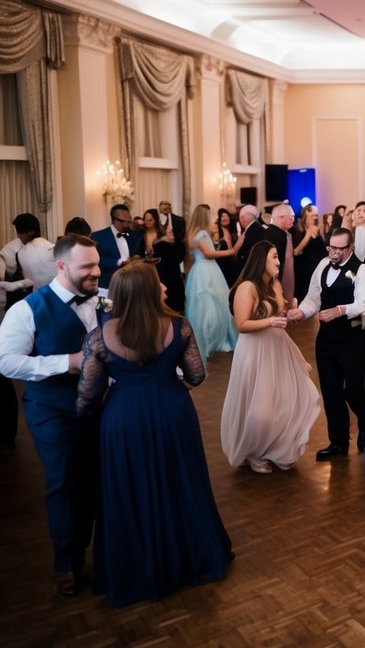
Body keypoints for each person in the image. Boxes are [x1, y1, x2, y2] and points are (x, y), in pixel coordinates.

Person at [76, 262, 230, 606]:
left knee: (130, 487)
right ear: (147, 290)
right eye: (158, 283)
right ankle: (190, 555)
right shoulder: (179, 325)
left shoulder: (99, 336)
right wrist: (172, 389)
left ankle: (136, 566)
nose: (164, 286)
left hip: (123, 417)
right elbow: (197, 374)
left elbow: (88, 392)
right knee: (181, 481)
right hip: (173, 411)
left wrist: (83, 414)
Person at [0, 235, 101, 597]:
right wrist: (65, 362)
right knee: (63, 479)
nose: (96, 272)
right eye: (87, 266)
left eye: (97, 264)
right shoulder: (27, 309)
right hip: (51, 408)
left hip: (100, 405)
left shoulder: (104, 299)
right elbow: (6, 362)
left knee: (94, 479)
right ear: (61, 267)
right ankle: (67, 563)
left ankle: (95, 549)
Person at [220, 241, 321, 473]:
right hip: (255, 351)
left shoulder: (274, 284)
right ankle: (253, 452)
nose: (279, 261)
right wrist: (270, 321)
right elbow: (242, 325)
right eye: (274, 256)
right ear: (261, 260)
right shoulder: (247, 287)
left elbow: (279, 313)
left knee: (281, 399)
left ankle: (275, 448)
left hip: (277, 347)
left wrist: (289, 309)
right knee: (260, 407)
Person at [289, 227, 365, 459]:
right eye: (331, 248)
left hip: (353, 338)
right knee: (330, 390)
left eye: (340, 249)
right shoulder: (322, 265)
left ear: (351, 248)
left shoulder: (364, 271)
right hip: (326, 339)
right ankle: (338, 442)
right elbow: (313, 299)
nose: (335, 253)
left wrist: (341, 310)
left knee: (354, 390)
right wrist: (301, 312)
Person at [183, 204, 238, 362]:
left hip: (198, 270)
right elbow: (208, 254)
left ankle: (203, 339)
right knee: (213, 307)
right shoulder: (201, 234)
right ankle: (211, 340)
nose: (212, 217)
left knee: (202, 307)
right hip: (207, 270)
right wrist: (232, 251)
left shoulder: (192, 233)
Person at [135, 208, 184, 312]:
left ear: (155, 220)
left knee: (168, 298)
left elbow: (173, 255)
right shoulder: (140, 236)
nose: (148, 222)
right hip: (148, 271)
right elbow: (138, 253)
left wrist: (160, 241)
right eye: (146, 220)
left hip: (164, 272)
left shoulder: (163, 235)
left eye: (150, 220)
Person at [91, 204, 135, 289]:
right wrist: (118, 262)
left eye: (129, 221)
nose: (128, 224)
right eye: (125, 221)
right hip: (108, 285)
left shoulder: (132, 236)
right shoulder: (98, 236)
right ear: (115, 220)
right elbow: (95, 261)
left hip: (129, 284)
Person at [291, 205, 327, 304]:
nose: (314, 218)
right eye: (312, 215)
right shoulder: (298, 230)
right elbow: (296, 251)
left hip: (318, 270)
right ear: (305, 215)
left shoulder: (318, 229)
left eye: (316, 215)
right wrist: (308, 233)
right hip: (304, 272)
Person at [214, 207, 240, 286]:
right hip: (221, 266)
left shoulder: (233, 233)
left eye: (226, 216)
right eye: (222, 216)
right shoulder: (216, 232)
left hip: (232, 267)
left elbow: (234, 252)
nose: (224, 218)